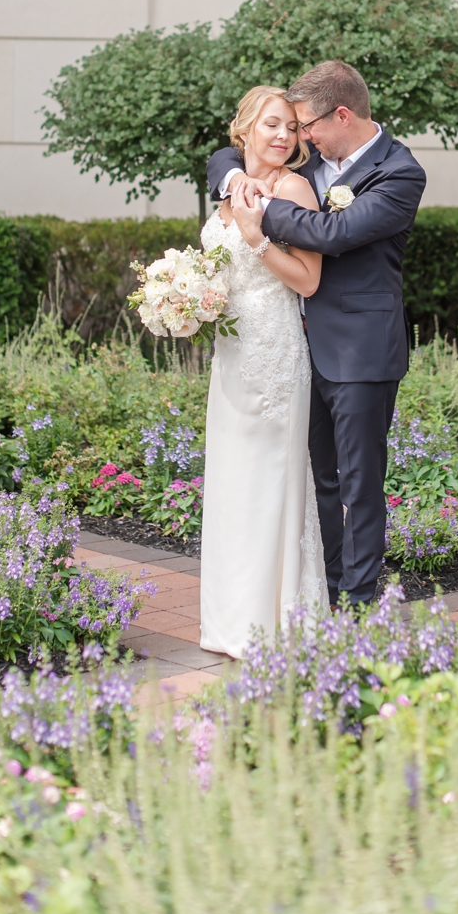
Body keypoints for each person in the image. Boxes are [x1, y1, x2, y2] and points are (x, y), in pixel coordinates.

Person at [208, 60, 427, 609]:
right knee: (318, 483)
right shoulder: (314, 163)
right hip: (296, 350)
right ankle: (325, 589)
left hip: (360, 351)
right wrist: (235, 178)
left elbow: (337, 231)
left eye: (307, 126)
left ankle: (357, 601)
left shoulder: (399, 172)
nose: (300, 137)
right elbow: (229, 156)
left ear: (343, 115)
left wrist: (257, 215)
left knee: (359, 485)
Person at [199, 85, 329, 659]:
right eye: (272, 125)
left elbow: (308, 279)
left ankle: (272, 622)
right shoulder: (227, 185)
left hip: (275, 353)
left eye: (292, 129)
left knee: (271, 482)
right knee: (232, 485)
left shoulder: (294, 187)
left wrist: (256, 240)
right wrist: (187, 300)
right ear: (244, 130)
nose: (284, 136)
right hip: (230, 357)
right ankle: (230, 623)